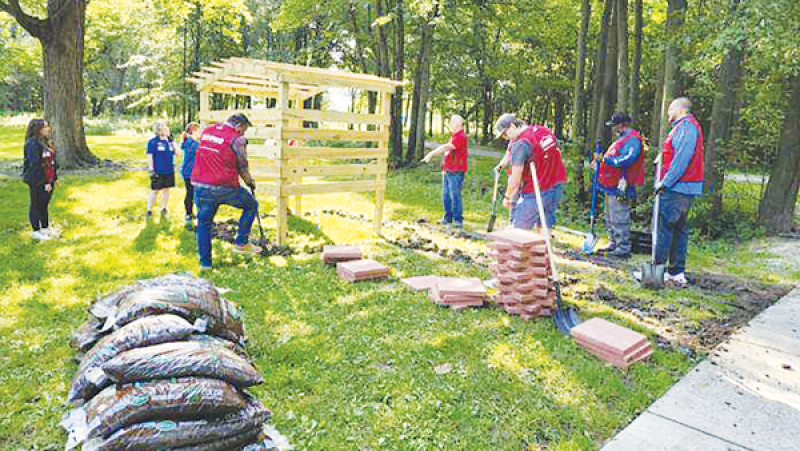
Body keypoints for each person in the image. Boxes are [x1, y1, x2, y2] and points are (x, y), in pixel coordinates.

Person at [191, 114, 262, 270]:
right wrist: (250, 181)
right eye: (244, 129)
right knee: (251, 205)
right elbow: (242, 165)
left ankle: (205, 264)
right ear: (238, 125)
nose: (243, 133)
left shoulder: (208, 131)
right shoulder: (237, 139)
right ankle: (242, 242)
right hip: (224, 187)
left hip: (200, 185)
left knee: (203, 224)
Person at [648, 97, 705, 287]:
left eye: (670, 110)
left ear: (679, 109)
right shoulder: (682, 128)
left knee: (664, 228)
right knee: (679, 229)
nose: (668, 114)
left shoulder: (686, 128)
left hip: (677, 187)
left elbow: (682, 159)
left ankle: (658, 272)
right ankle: (675, 272)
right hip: (683, 187)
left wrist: (665, 182)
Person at [494, 113, 567, 232]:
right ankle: (543, 249)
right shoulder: (543, 131)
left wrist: (508, 197)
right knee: (544, 227)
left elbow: (515, 179)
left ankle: (521, 249)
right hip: (557, 184)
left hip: (537, 190)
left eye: (505, 134)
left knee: (518, 232)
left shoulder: (521, 144)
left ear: (512, 126)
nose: (505, 138)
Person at [595, 112, 645, 259]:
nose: (613, 128)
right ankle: (614, 243)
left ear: (621, 125)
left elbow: (628, 159)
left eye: (614, 125)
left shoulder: (633, 139)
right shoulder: (622, 139)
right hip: (611, 184)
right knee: (610, 216)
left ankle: (623, 247)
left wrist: (607, 160)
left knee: (619, 215)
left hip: (622, 185)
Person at [421, 115, 469, 228]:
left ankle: (458, 220)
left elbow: (445, 147)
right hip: (448, 170)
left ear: (458, 123)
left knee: (455, 195)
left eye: (452, 121)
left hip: (456, 172)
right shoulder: (454, 135)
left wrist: (431, 154)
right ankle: (448, 218)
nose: (450, 123)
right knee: (445, 195)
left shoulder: (461, 136)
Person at [22, 118, 59, 240]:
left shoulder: (45, 141)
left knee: (44, 204)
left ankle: (45, 228)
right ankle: (36, 231)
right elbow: (36, 164)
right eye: (45, 127)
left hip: (48, 179)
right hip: (36, 179)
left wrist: (54, 177)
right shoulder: (32, 144)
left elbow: (51, 162)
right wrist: (45, 182)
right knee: (36, 204)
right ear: (38, 129)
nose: (48, 129)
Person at [146, 122, 179, 218]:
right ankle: (149, 210)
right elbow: (150, 156)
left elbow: (178, 153)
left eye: (167, 128)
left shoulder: (169, 142)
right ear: (159, 130)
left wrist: (172, 142)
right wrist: (151, 170)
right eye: (164, 128)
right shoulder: (153, 142)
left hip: (168, 170)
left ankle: (164, 208)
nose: (167, 130)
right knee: (155, 190)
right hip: (158, 170)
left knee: (166, 190)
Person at [180, 123, 201, 229]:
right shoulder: (191, 142)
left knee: (192, 193)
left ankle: (191, 213)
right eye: (198, 130)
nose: (200, 132)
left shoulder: (190, 141)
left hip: (191, 171)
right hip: (189, 172)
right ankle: (188, 214)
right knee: (190, 193)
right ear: (193, 131)